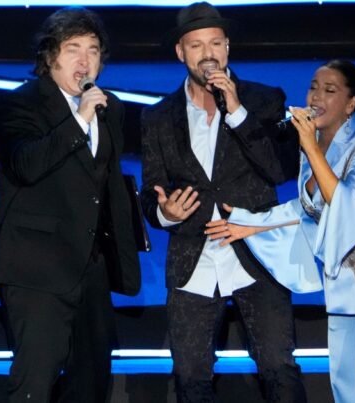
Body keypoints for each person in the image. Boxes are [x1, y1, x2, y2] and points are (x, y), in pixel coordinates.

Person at [210, 60, 355, 403]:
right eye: (314, 87)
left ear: (351, 103)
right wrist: (252, 224)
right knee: (345, 390)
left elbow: (345, 207)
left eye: (330, 90)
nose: (316, 96)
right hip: (343, 285)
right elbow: (309, 209)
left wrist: (310, 147)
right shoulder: (317, 144)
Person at [140, 2, 306, 402]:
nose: (208, 53)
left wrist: (237, 113)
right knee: (191, 377)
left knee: (279, 369)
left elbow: (278, 170)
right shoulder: (158, 117)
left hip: (256, 250)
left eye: (216, 42)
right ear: (181, 53)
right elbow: (151, 191)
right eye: (196, 45)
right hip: (193, 257)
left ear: (228, 48)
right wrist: (164, 213)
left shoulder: (264, 101)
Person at [0, 7, 141, 402]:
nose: (85, 60)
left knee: (91, 381)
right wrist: (79, 121)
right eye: (73, 49)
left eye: (93, 50)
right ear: (51, 56)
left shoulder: (111, 108)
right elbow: (26, 165)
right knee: (35, 380)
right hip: (35, 268)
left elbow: (105, 184)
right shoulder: (22, 103)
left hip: (90, 266)